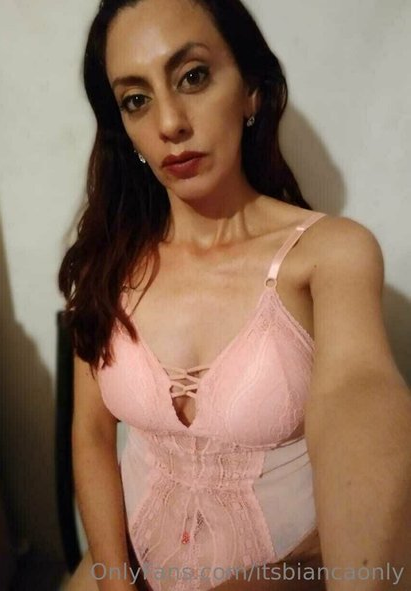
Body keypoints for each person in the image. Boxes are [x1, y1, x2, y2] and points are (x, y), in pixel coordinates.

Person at [58, 0, 411, 590]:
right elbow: (91, 434)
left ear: (251, 92)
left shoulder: (329, 254)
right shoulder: (107, 262)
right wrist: (113, 580)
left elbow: (361, 394)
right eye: (137, 99)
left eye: (192, 76)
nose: (170, 122)